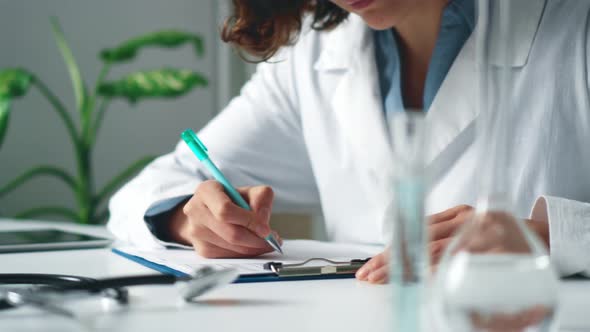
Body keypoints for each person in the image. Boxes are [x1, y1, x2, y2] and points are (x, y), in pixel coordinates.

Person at [108, 0, 590, 284]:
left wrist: (554, 239)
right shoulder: (315, 54)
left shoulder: (575, 27)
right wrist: (189, 218)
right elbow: (145, 192)